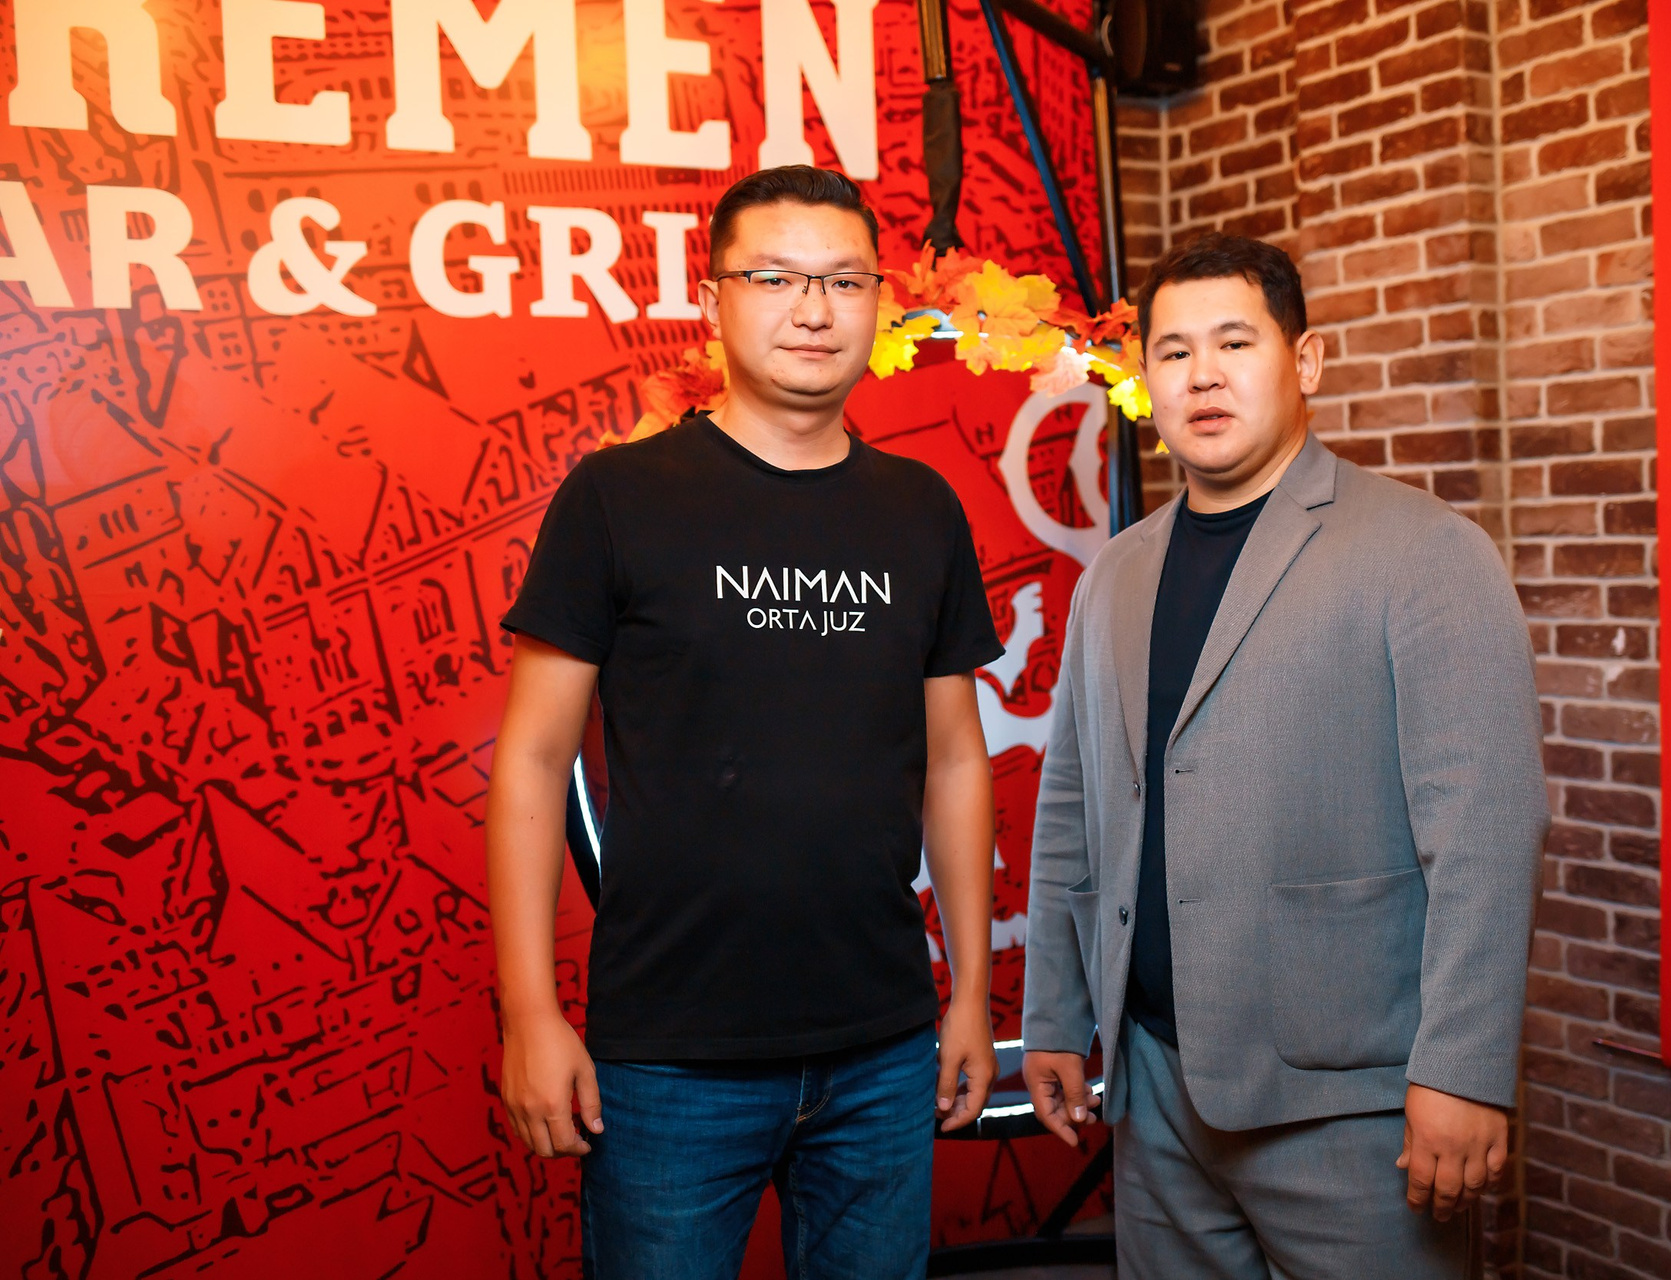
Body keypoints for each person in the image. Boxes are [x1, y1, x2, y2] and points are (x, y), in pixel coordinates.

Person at [484, 165, 1003, 1280]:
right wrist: (529, 1010)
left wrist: (970, 993)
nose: (813, 309)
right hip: (669, 1057)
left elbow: (957, 760)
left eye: (844, 281)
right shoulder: (617, 497)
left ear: (880, 303)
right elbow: (531, 757)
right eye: (774, 277)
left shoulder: (921, 509)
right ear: (712, 298)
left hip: (882, 1045)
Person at [1021, 232, 1547, 1277]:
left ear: (1306, 361)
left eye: (1234, 342)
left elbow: (1486, 832)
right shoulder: (1114, 576)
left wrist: (1464, 1069)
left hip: (1352, 1096)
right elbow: (1074, 802)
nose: (1202, 375)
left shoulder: (1425, 549)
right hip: (1155, 1084)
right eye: (1173, 352)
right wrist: (1056, 1012)